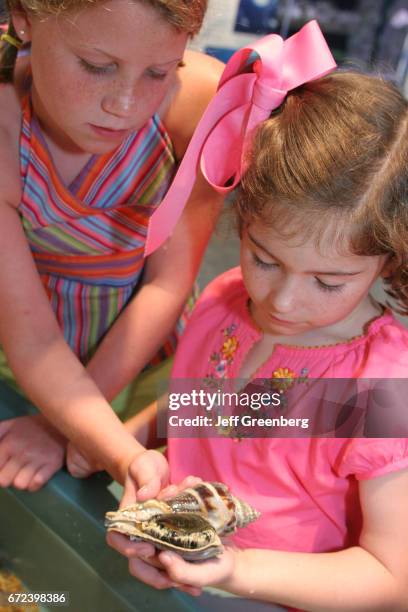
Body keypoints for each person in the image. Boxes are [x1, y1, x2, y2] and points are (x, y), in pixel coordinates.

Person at [107, 54, 408, 610]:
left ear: (387, 260)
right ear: (241, 220)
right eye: (264, 259)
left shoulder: (380, 386)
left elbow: (393, 577)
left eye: (327, 280)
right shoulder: (224, 300)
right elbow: (207, 410)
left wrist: (237, 568)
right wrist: (127, 447)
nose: (282, 301)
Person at [0, 0, 224, 493]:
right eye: (97, 66)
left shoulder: (205, 107)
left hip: (155, 362)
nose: (126, 105)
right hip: (30, 358)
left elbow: (168, 282)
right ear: (24, 16)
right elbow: (34, 342)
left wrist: (82, 433)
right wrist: (62, 421)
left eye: (160, 71)